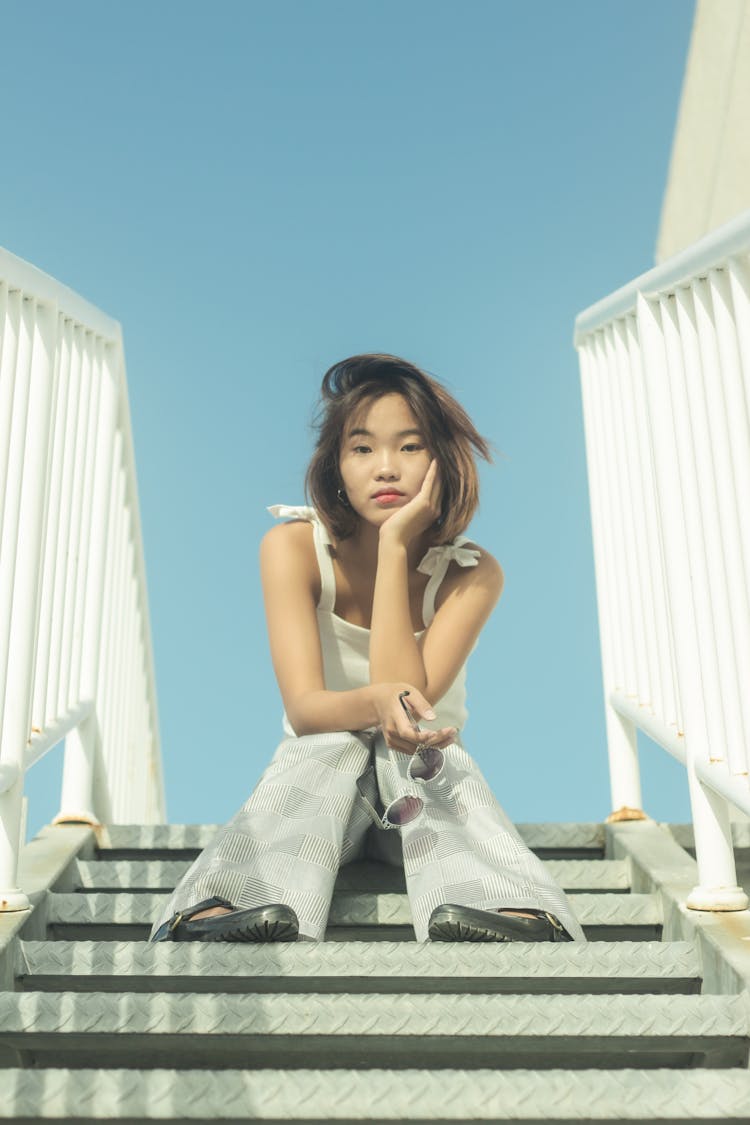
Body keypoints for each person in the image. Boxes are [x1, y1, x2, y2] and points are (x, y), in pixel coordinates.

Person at [150, 354, 586, 944]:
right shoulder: (293, 549)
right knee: (328, 747)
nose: (386, 468)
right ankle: (221, 905)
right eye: (362, 449)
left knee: (428, 758)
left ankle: (509, 909)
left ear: (442, 462)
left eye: (410, 447)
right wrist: (379, 698)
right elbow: (306, 709)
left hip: (421, 795)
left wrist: (395, 549)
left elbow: (411, 706)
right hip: (319, 802)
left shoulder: (471, 572)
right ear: (335, 464)